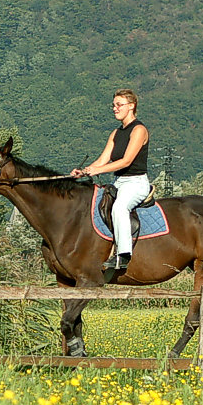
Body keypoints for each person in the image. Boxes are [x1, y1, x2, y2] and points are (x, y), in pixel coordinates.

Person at [70, 89, 149, 271]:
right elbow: (102, 159)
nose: (115, 108)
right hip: (119, 182)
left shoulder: (139, 130)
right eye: (113, 105)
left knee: (120, 208)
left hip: (136, 183)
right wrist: (83, 171)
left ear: (131, 106)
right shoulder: (116, 133)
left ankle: (123, 256)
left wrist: (97, 170)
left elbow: (126, 161)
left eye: (119, 105)